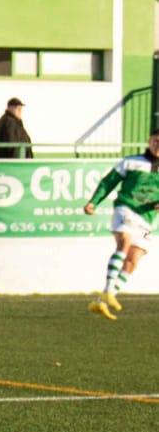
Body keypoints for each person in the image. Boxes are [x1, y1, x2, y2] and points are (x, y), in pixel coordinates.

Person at [83, 128, 159, 320]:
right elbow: (108, 182)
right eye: (156, 140)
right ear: (149, 141)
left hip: (146, 217)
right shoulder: (131, 161)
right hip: (126, 208)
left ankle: (100, 303)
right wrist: (94, 202)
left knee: (133, 260)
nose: (158, 145)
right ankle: (109, 290)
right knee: (124, 241)